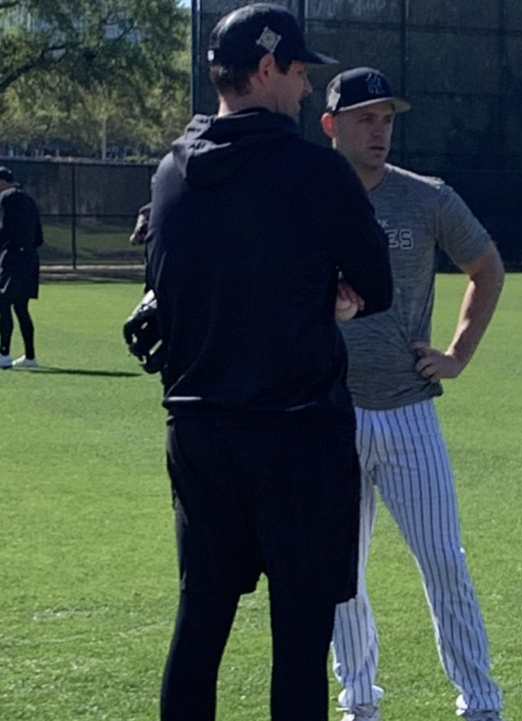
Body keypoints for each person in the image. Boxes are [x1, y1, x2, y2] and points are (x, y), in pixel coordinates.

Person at [145, 5, 392, 720]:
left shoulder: (170, 174)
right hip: (295, 431)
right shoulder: (313, 170)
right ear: (264, 69)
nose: (306, 89)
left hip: (198, 430)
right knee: (300, 636)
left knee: (201, 621)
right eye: (296, 71)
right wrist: (330, 297)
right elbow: (374, 284)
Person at [319, 67, 506, 721]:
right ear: (331, 125)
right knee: (340, 573)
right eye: (365, 118)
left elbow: (486, 267)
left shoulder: (426, 199)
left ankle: (480, 701)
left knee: (443, 562)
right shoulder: (306, 195)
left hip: (408, 412)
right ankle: (359, 700)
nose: (379, 131)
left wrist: (455, 353)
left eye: (387, 119)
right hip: (331, 413)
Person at [0, 166, 44, 369]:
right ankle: (30, 357)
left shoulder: (6, 198)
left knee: (2, 302)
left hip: (14, 257)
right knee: (20, 306)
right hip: (30, 257)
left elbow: (3, 230)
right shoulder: (29, 200)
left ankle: (4, 354)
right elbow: (39, 237)